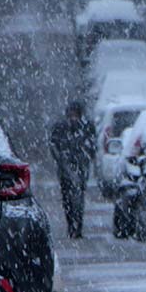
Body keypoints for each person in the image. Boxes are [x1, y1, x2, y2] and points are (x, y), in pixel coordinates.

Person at [49, 101, 96, 238]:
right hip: (65, 167)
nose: (73, 117)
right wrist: (61, 158)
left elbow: (92, 145)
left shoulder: (87, 127)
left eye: (76, 114)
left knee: (78, 197)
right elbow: (53, 144)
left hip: (80, 167)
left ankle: (78, 226)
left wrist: (85, 157)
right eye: (71, 114)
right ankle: (71, 224)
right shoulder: (61, 127)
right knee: (67, 197)